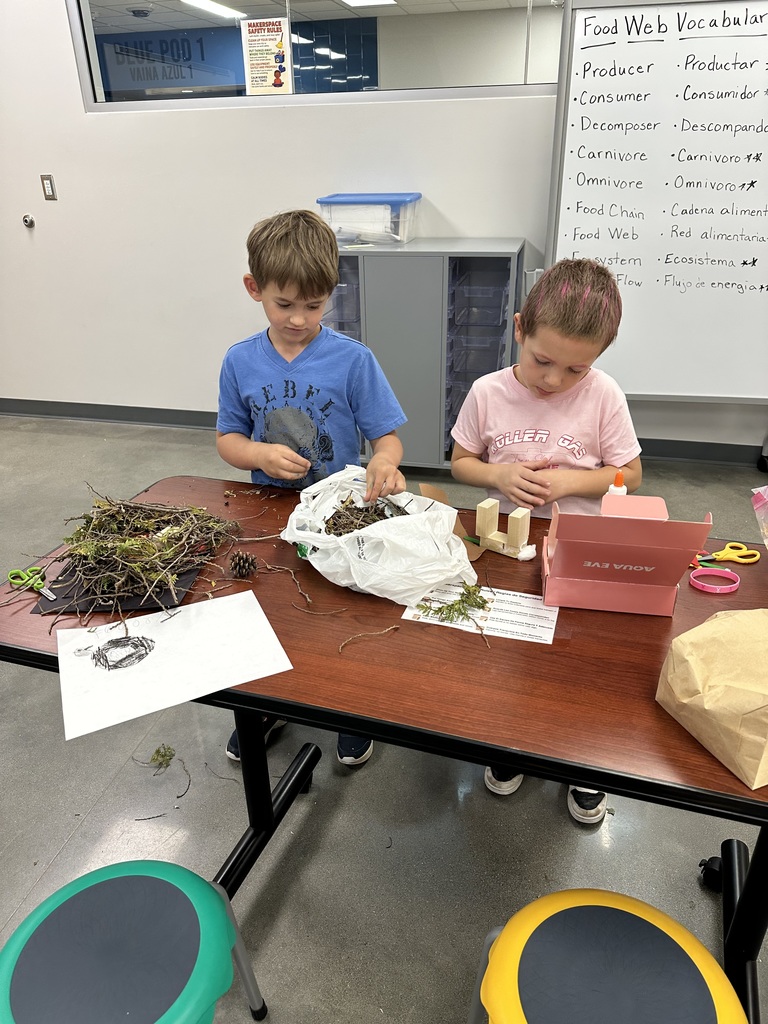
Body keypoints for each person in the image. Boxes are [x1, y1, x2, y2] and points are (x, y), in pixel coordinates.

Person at [450, 258, 642, 824]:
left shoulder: (603, 395)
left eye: (576, 368)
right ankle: (512, 743)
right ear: (519, 329)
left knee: (580, 668)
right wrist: (498, 474)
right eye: (542, 361)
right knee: (509, 658)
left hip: (580, 547)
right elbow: (461, 463)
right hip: (507, 549)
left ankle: (583, 759)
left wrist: (571, 482)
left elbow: (630, 475)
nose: (554, 380)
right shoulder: (487, 392)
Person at [217, 209, 407, 768]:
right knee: (272, 609)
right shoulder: (239, 361)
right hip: (271, 511)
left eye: (314, 305)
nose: (299, 318)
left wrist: (385, 462)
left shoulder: (353, 360)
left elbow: (387, 438)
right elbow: (228, 440)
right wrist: (257, 454)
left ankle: (348, 707)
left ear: (331, 295)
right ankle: (267, 703)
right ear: (254, 288)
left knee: (339, 612)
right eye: (285, 304)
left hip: (338, 515)